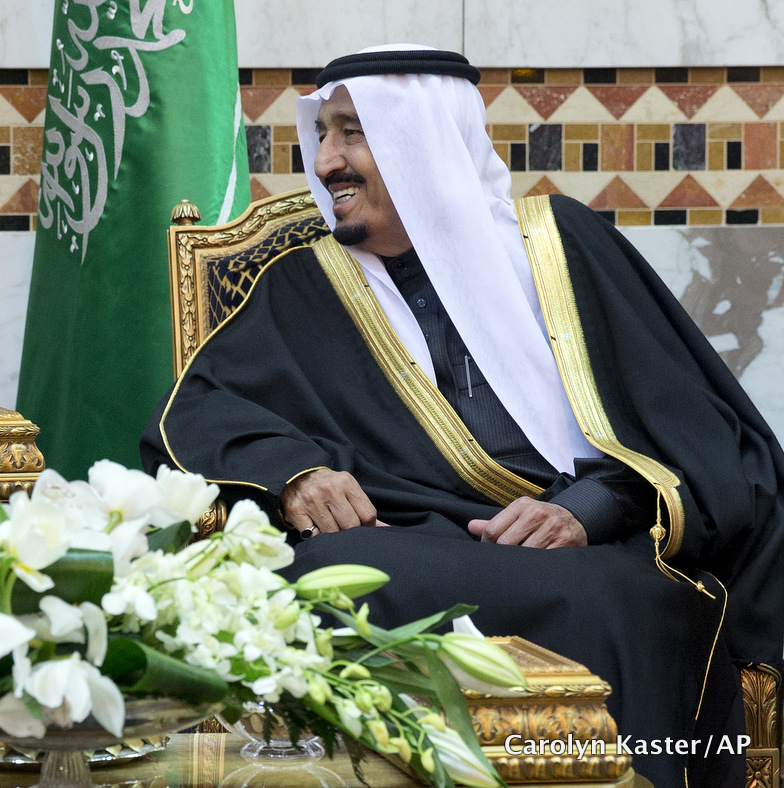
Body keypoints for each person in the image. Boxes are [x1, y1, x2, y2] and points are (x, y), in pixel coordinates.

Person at [143, 46, 784, 788]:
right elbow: (196, 413)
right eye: (321, 135)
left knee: (626, 602)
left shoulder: (561, 246)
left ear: (423, 139)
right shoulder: (304, 286)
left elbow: (702, 430)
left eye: (351, 133)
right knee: (337, 575)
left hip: (589, 553)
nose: (325, 164)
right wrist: (295, 475)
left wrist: (590, 507)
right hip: (402, 545)